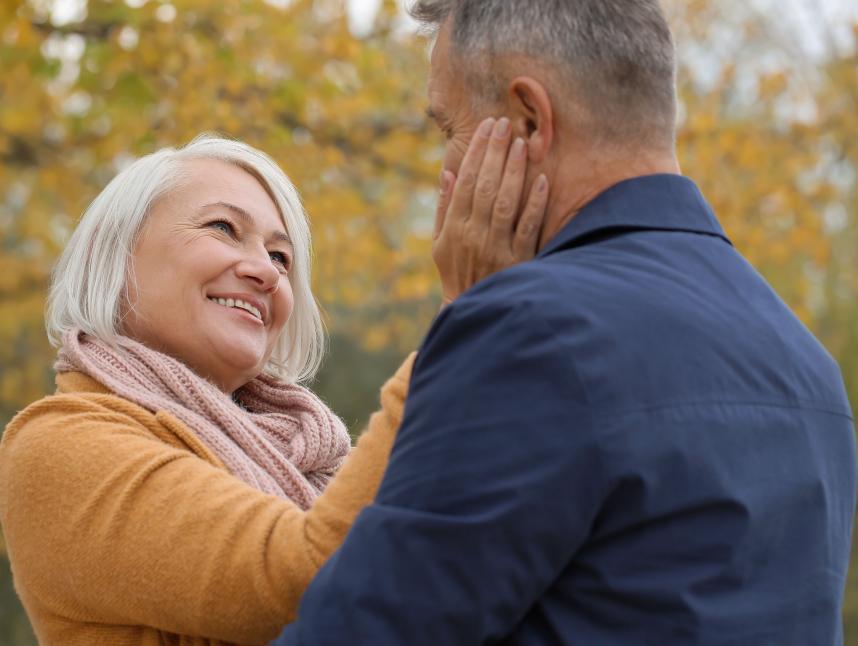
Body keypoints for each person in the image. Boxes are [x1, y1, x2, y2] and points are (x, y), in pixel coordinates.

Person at [276, 1, 857, 644]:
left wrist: (470, 314)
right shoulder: (803, 360)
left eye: (448, 129)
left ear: (529, 122)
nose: (445, 170)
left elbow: (367, 629)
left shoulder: (529, 332)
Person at [0, 131, 548, 645]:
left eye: (281, 257)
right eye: (222, 228)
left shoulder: (312, 454)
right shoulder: (57, 444)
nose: (266, 272)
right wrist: (465, 319)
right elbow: (315, 581)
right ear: (112, 257)